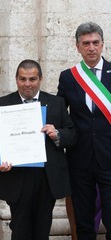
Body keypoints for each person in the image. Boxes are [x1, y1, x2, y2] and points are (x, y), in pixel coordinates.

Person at [0, 59, 76, 240]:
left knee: (42, 229)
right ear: (16, 79)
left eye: (32, 79)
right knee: (20, 229)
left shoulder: (56, 103)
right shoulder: (2, 104)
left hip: (47, 178)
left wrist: (56, 133)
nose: (27, 84)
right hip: (16, 177)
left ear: (40, 79)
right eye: (23, 79)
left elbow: (72, 135)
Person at [57, 21, 111, 240]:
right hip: (80, 159)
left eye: (95, 43)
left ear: (103, 44)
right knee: (84, 221)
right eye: (86, 43)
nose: (91, 48)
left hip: (109, 157)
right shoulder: (68, 77)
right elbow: (59, 113)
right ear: (77, 46)